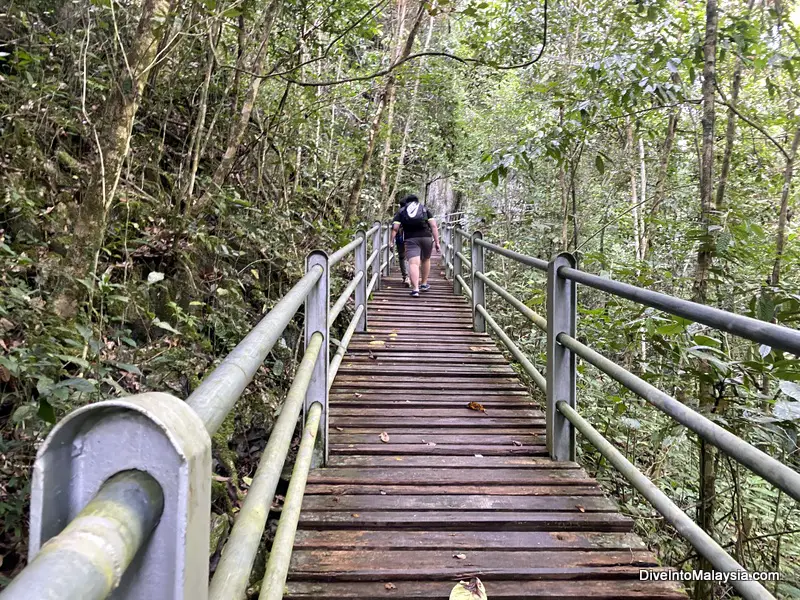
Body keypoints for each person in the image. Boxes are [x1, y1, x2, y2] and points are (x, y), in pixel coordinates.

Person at [390, 194, 441, 297]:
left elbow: (395, 228)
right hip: (426, 237)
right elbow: (434, 226)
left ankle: (415, 289)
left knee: (413, 263)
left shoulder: (402, 211)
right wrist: (437, 242)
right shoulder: (424, 209)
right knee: (426, 259)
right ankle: (424, 284)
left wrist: (391, 241)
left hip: (410, 239)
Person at [395, 197, 410, 287]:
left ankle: (406, 276)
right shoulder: (414, 212)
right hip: (413, 238)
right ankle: (412, 277)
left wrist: (391, 241)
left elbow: (395, 228)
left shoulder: (398, 213)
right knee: (412, 258)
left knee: (402, 257)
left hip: (400, 238)